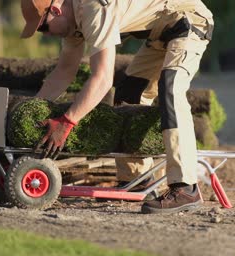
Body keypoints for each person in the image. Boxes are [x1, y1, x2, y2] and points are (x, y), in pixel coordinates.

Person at [20, 0, 214, 214]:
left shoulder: (93, 7)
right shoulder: (71, 25)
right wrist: (30, 110)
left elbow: (102, 79)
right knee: (129, 94)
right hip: (161, 32)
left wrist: (66, 122)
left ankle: (186, 187)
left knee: (171, 88)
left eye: (43, 27)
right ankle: (138, 181)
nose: (45, 35)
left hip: (188, 20)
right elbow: (64, 72)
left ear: (55, 9)